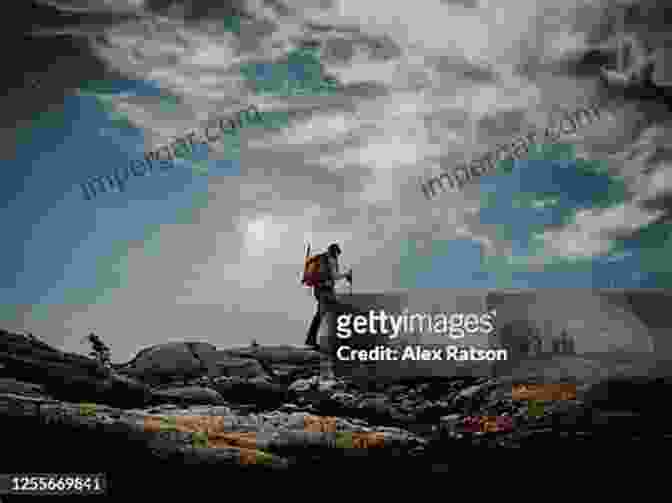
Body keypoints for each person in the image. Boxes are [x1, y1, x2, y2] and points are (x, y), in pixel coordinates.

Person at [304, 243, 352, 349]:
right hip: (326, 292)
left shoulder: (321, 259)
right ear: (334, 252)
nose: (337, 256)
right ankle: (344, 342)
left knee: (320, 315)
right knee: (339, 313)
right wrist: (346, 275)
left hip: (320, 291)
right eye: (337, 254)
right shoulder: (329, 260)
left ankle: (310, 340)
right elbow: (334, 276)